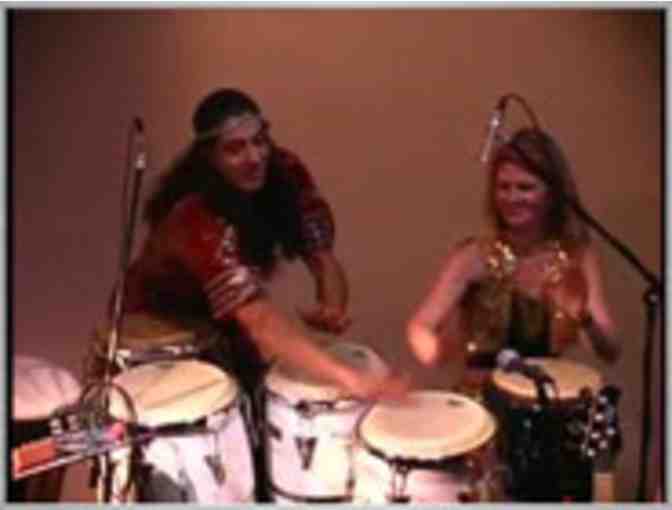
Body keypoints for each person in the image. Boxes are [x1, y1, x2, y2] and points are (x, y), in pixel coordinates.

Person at [119, 88, 405, 500]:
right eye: (235, 149)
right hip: (163, 338)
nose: (254, 157)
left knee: (263, 426)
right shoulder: (194, 215)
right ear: (209, 157)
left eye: (259, 141)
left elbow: (322, 257)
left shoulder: (285, 171)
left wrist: (332, 306)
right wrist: (351, 380)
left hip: (224, 324)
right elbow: (260, 322)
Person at [406, 128, 621, 502]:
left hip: (547, 415)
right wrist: (433, 350)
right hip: (481, 414)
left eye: (525, 187)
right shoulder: (475, 256)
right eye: (503, 187)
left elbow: (610, 349)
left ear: (552, 192)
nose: (512, 198)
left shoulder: (576, 256)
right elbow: (420, 325)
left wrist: (583, 317)